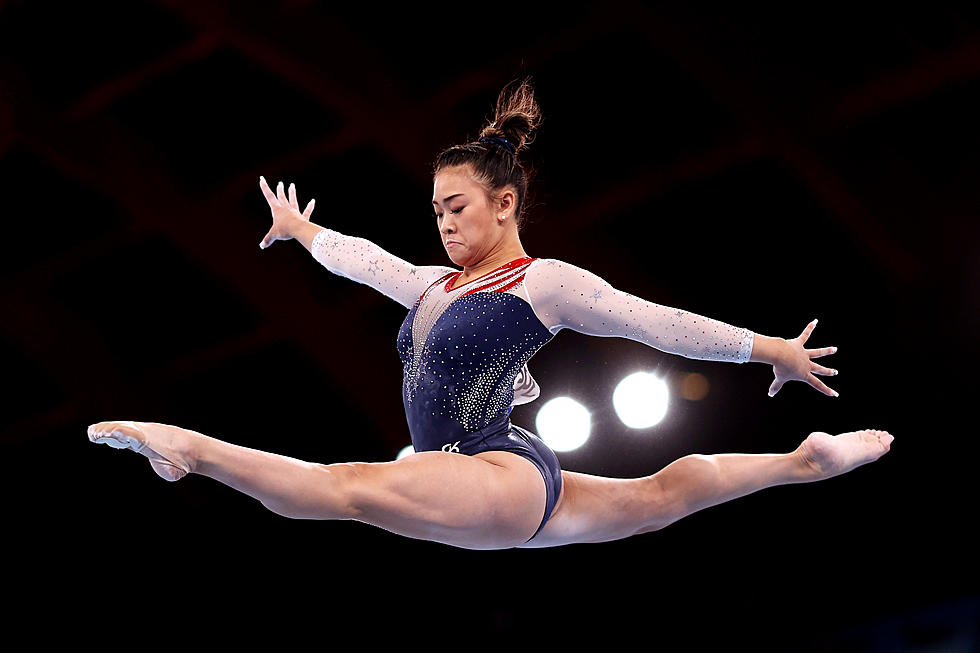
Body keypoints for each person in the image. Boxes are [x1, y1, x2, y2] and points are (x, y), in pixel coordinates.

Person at [88, 78, 893, 550]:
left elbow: (654, 321)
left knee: (347, 488)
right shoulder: (436, 286)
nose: (444, 224)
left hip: (497, 467)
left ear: (505, 204)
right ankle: (805, 463)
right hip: (478, 470)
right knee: (663, 493)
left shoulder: (542, 284)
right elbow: (367, 260)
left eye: (458, 207)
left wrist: (769, 350)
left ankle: (190, 447)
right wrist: (305, 234)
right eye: (436, 210)